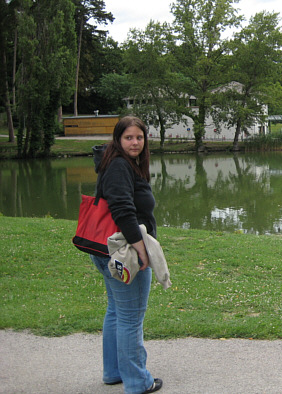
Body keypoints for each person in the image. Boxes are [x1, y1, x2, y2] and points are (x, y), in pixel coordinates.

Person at [90, 116, 162, 394]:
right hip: (124, 252)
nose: (135, 143)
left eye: (139, 138)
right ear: (118, 139)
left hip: (108, 249)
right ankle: (137, 382)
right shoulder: (120, 165)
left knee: (116, 311)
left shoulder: (119, 163)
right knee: (131, 316)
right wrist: (142, 252)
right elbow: (122, 210)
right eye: (129, 137)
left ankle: (114, 372)